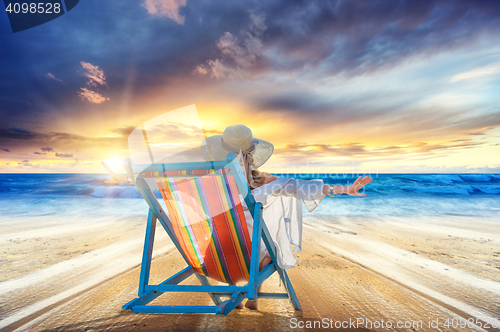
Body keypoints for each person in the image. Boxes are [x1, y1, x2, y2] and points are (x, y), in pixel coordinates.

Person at [201, 125, 372, 310]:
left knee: (227, 235)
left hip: (216, 258)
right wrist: (344, 189)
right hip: (250, 260)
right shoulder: (263, 181)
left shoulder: (208, 183)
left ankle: (233, 289)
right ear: (251, 154)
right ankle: (253, 294)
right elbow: (301, 187)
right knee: (269, 248)